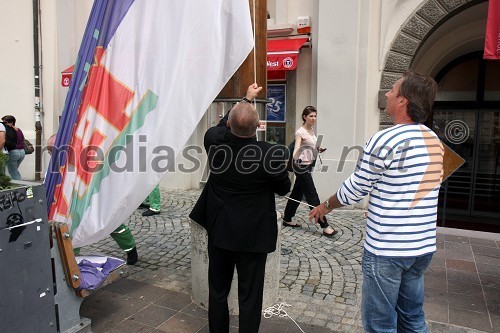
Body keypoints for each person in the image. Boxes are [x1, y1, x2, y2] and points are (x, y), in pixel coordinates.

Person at [309, 70, 443, 333]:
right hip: (422, 246)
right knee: (413, 318)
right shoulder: (434, 140)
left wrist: (325, 206)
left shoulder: (385, 139)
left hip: (388, 249)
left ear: (403, 101)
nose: (387, 94)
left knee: (380, 324)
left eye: (392, 90)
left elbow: (355, 189)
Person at [190, 83, 291, 333]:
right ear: (258, 127)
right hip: (253, 235)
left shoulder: (214, 142)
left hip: (221, 229)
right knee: (250, 297)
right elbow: (283, 188)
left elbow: (219, 127)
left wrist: (245, 100)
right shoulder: (270, 154)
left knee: (218, 291)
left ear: (229, 125)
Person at [46, 134, 138, 265]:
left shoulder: (85, 157)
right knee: (72, 228)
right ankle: (71, 259)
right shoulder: (54, 166)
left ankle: (130, 249)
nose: (51, 155)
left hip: (96, 197)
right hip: (72, 203)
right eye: (50, 152)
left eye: (53, 150)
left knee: (112, 223)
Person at [282, 106, 337, 237]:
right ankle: (325, 226)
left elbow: (310, 146)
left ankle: (287, 218)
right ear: (304, 117)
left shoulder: (311, 131)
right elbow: (296, 149)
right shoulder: (300, 132)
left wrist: (319, 148)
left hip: (308, 165)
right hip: (301, 167)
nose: (313, 119)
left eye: (315, 116)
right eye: (311, 116)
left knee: (296, 194)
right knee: (312, 195)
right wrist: (296, 159)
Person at [2, 115, 25, 180]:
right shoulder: (19, 130)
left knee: (13, 172)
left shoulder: (8, 131)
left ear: (11, 122)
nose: (3, 124)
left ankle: (20, 186)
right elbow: (22, 139)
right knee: (14, 170)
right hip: (22, 152)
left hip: (14, 152)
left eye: (5, 122)